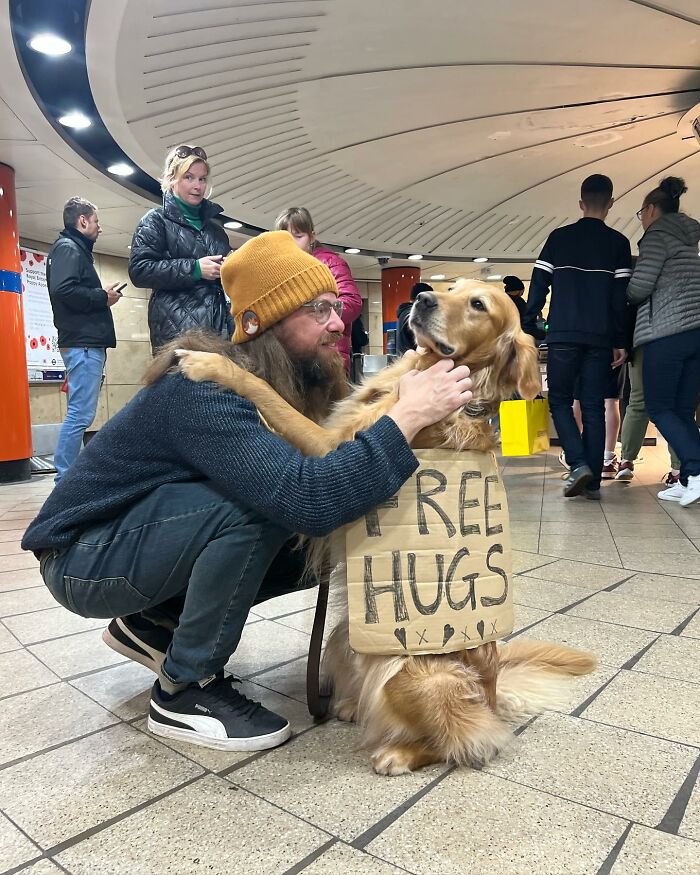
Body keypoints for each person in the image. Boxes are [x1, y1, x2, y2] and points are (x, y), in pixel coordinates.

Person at [22, 231, 473, 753]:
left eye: (336, 307)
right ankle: (184, 689)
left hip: (137, 542)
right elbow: (308, 498)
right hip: (83, 559)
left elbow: (333, 473)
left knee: (326, 543)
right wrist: (406, 416)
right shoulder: (205, 387)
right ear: (261, 321)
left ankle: (154, 624)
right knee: (262, 507)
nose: (337, 322)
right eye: (318, 309)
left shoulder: (287, 382)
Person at [522, 174, 631, 499]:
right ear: (611, 203)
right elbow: (620, 298)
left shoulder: (559, 238)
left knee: (559, 400)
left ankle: (578, 462)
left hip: (563, 335)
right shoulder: (618, 243)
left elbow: (539, 283)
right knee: (594, 406)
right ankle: (593, 482)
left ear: (581, 203)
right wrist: (620, 340)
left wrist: (533, 322)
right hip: (600, 337)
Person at [626, 176, 700, 507]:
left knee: (658, 406)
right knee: (682, 409)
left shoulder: (656, 236)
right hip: (695, 333)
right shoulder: (688, 240)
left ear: (652, 209)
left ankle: (697, 470)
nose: (641, 218)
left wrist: (624, 292)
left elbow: (640, 287)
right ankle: (688, 478)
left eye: (641, 212)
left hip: (667, 333)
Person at [129, 144, 232, 353]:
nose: (197, 186)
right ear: (172, 179)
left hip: (218, 330)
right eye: (188, 177)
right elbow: (139, 270)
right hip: (178, 332)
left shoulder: (216, 230)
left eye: (202, 179)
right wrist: (194, 269)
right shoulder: (155, 220)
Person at [47, 197, 122, 483]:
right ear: (82, 221)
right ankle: (65, 477)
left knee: (80, 413)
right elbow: (64, 290)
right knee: (80, 414)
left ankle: (68, 474)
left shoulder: (71, 249)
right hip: (83, 344)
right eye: (96, 221)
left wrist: (101, 296)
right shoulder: (68, 248)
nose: (99, 227)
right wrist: (102, 297)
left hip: (83, 343)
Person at [274, 207, 362, 372]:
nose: (291, 243)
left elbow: (352, 303)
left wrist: (315, 312)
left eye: (298, 236)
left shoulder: (330, 263)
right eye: (284, 238)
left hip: (327, 354)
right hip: (291, 356)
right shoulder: (282, 268)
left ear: (312, 236)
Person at [396, 282, 433, 355]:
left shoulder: (404, 312)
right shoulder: (414, 314)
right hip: (413, 358)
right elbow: (424, 344)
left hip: (403, 357)